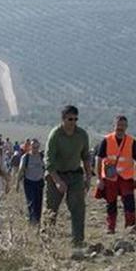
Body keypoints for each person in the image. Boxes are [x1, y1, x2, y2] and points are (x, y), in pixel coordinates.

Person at [45, 105, 92, 247]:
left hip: (75, 175)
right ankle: (47, 241)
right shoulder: (55, 135)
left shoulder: (82, 135)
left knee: (78, 208)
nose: (73, 122)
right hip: (56, 174)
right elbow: (48, 161)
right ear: (63, 119)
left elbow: (86, 157)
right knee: (51, 209)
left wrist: (88, 177)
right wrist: (57, 181)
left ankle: (78, 241)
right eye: (70, 119)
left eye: (76, 119)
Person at [96, 115, 136, 234]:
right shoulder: (106, 140)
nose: (120, 127)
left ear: (126, 127)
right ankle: (110, 228)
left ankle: (130, 227)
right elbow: (99, 159)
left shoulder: (132, 141)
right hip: (110, 177)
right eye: (118, 125)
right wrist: (99, 179)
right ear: (114, 126)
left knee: (129, 202)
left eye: (122, 125)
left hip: (126, 177)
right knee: (111, 203)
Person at [17, 138, 45, 225]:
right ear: (30, 147)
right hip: (29, 182)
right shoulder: (26, 157)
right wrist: (17, 183)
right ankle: (32, 220)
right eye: (33, 147)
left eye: (37, 147)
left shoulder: (41, 156)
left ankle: (38, 219)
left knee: (39, 202)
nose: (35, 149)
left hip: (39, 182)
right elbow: (21, 170)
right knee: (31, 201)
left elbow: (46, 167)